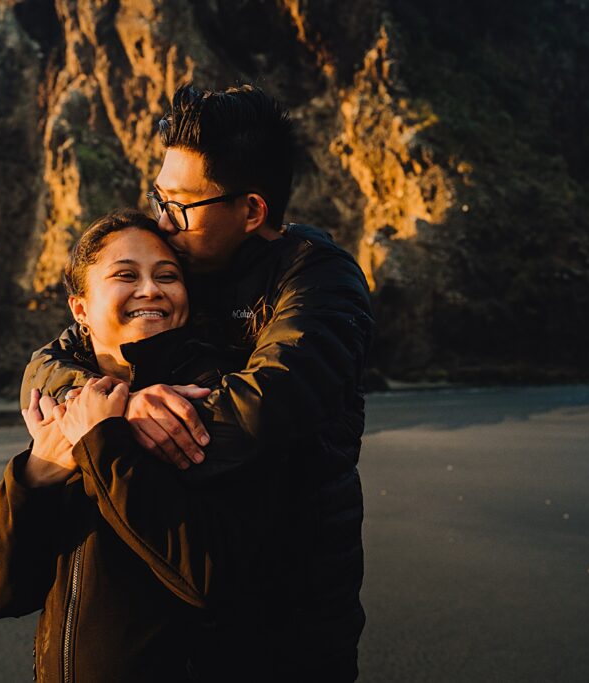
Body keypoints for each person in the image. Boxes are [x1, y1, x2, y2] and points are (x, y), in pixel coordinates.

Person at [22, 84, 374, 680]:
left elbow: (259, 412)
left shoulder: (319, 283)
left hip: (293, 614)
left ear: (252, 211)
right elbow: (53, 357)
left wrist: (110, 423)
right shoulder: (184, 266)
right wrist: (119, 402)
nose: (162, 220)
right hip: (193, 611)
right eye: (158, 197)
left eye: (180, 204)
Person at [0, 210, 276, 682]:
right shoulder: (63, 411)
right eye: (125, 275)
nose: (150, 290)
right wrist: (36, 473)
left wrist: (105, 442)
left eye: (167, 276)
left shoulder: (209, 402)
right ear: (80, 309)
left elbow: (209, 580)